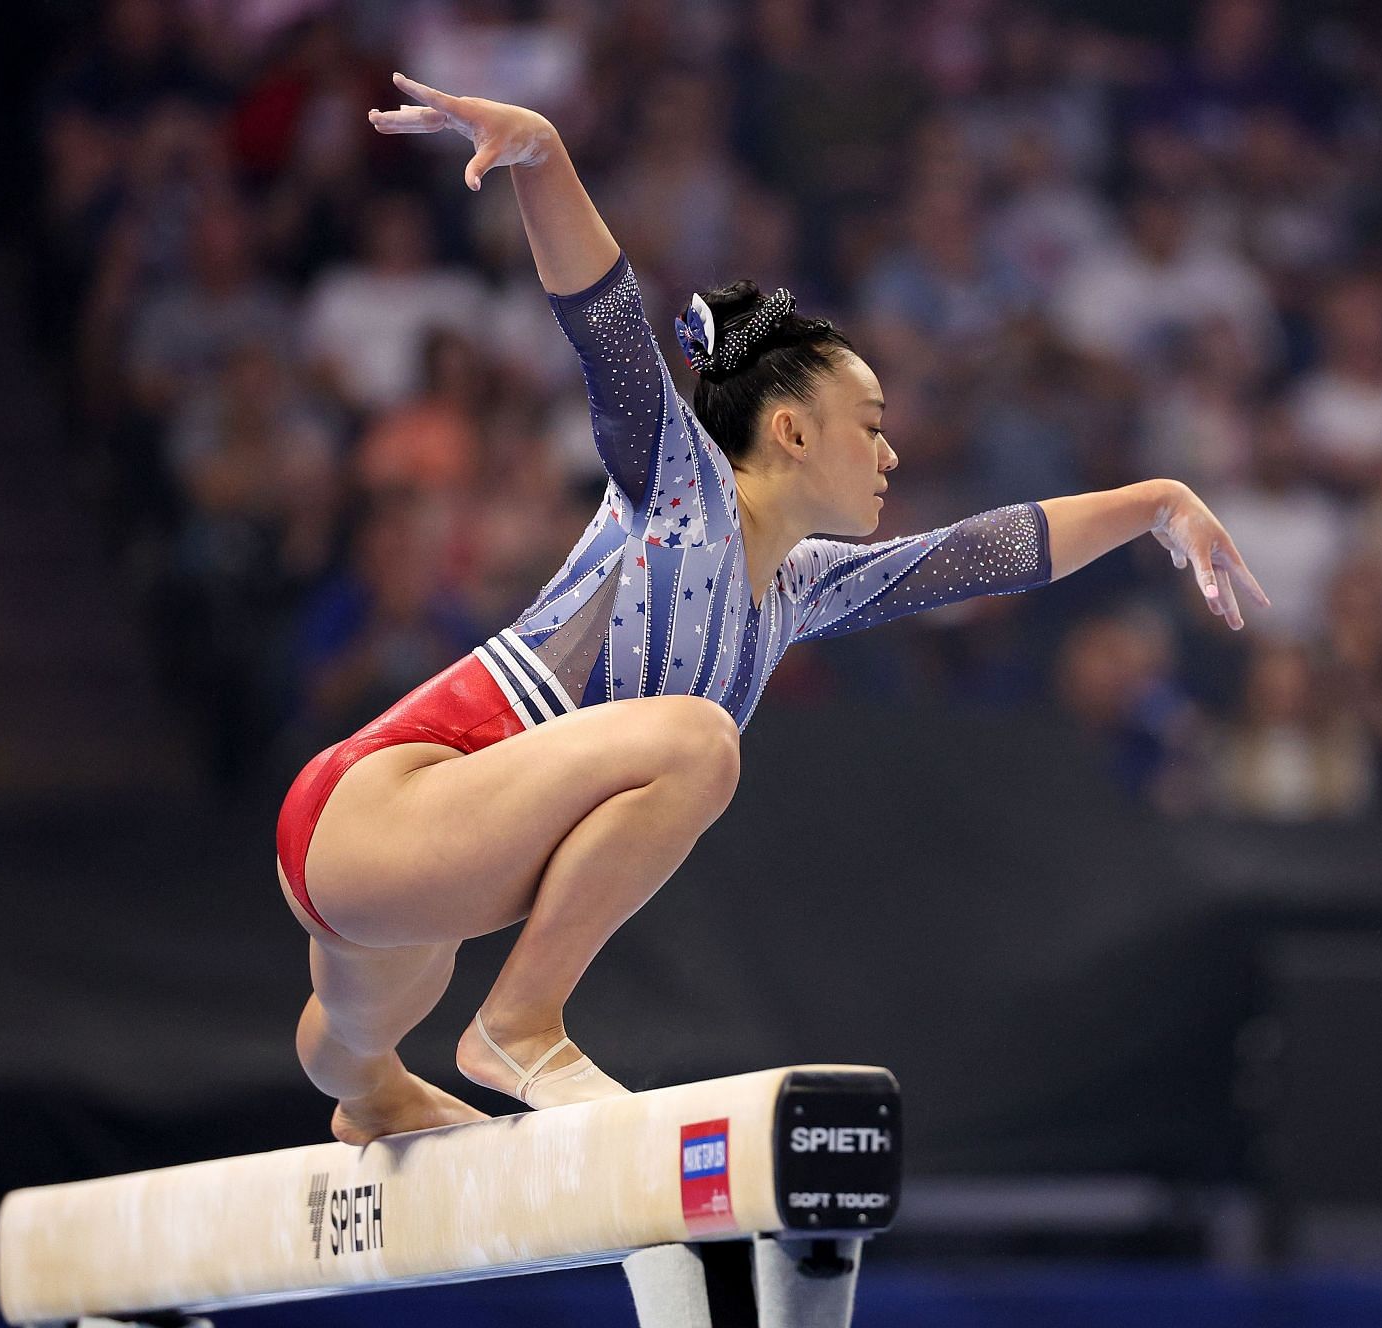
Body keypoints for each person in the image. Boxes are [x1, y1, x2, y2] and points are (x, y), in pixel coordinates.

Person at [275, 74, 1272, 1145]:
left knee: (352, 1037)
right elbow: (607, 324)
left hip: (389, 851)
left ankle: (369, 1083)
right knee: (700, 742)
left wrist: (1157, 502)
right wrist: (545, 157)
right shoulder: (677, 485)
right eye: (870, 426)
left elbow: (984, 553)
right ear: (790, 432)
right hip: (388, 801)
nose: (892, 453)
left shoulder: (795, 591)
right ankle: (520, 1021)